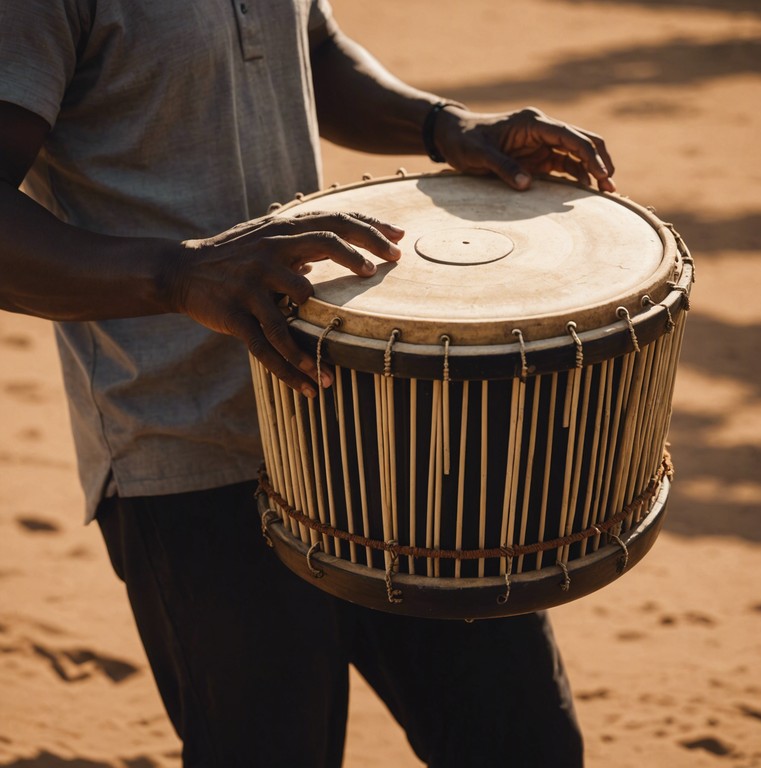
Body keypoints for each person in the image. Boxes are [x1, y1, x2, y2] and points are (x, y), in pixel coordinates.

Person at [0, 2, 615, 766]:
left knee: (525, 742)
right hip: (189, 448)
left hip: (374, 414)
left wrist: (443, 124)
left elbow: (311, 47)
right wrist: (181, 273)